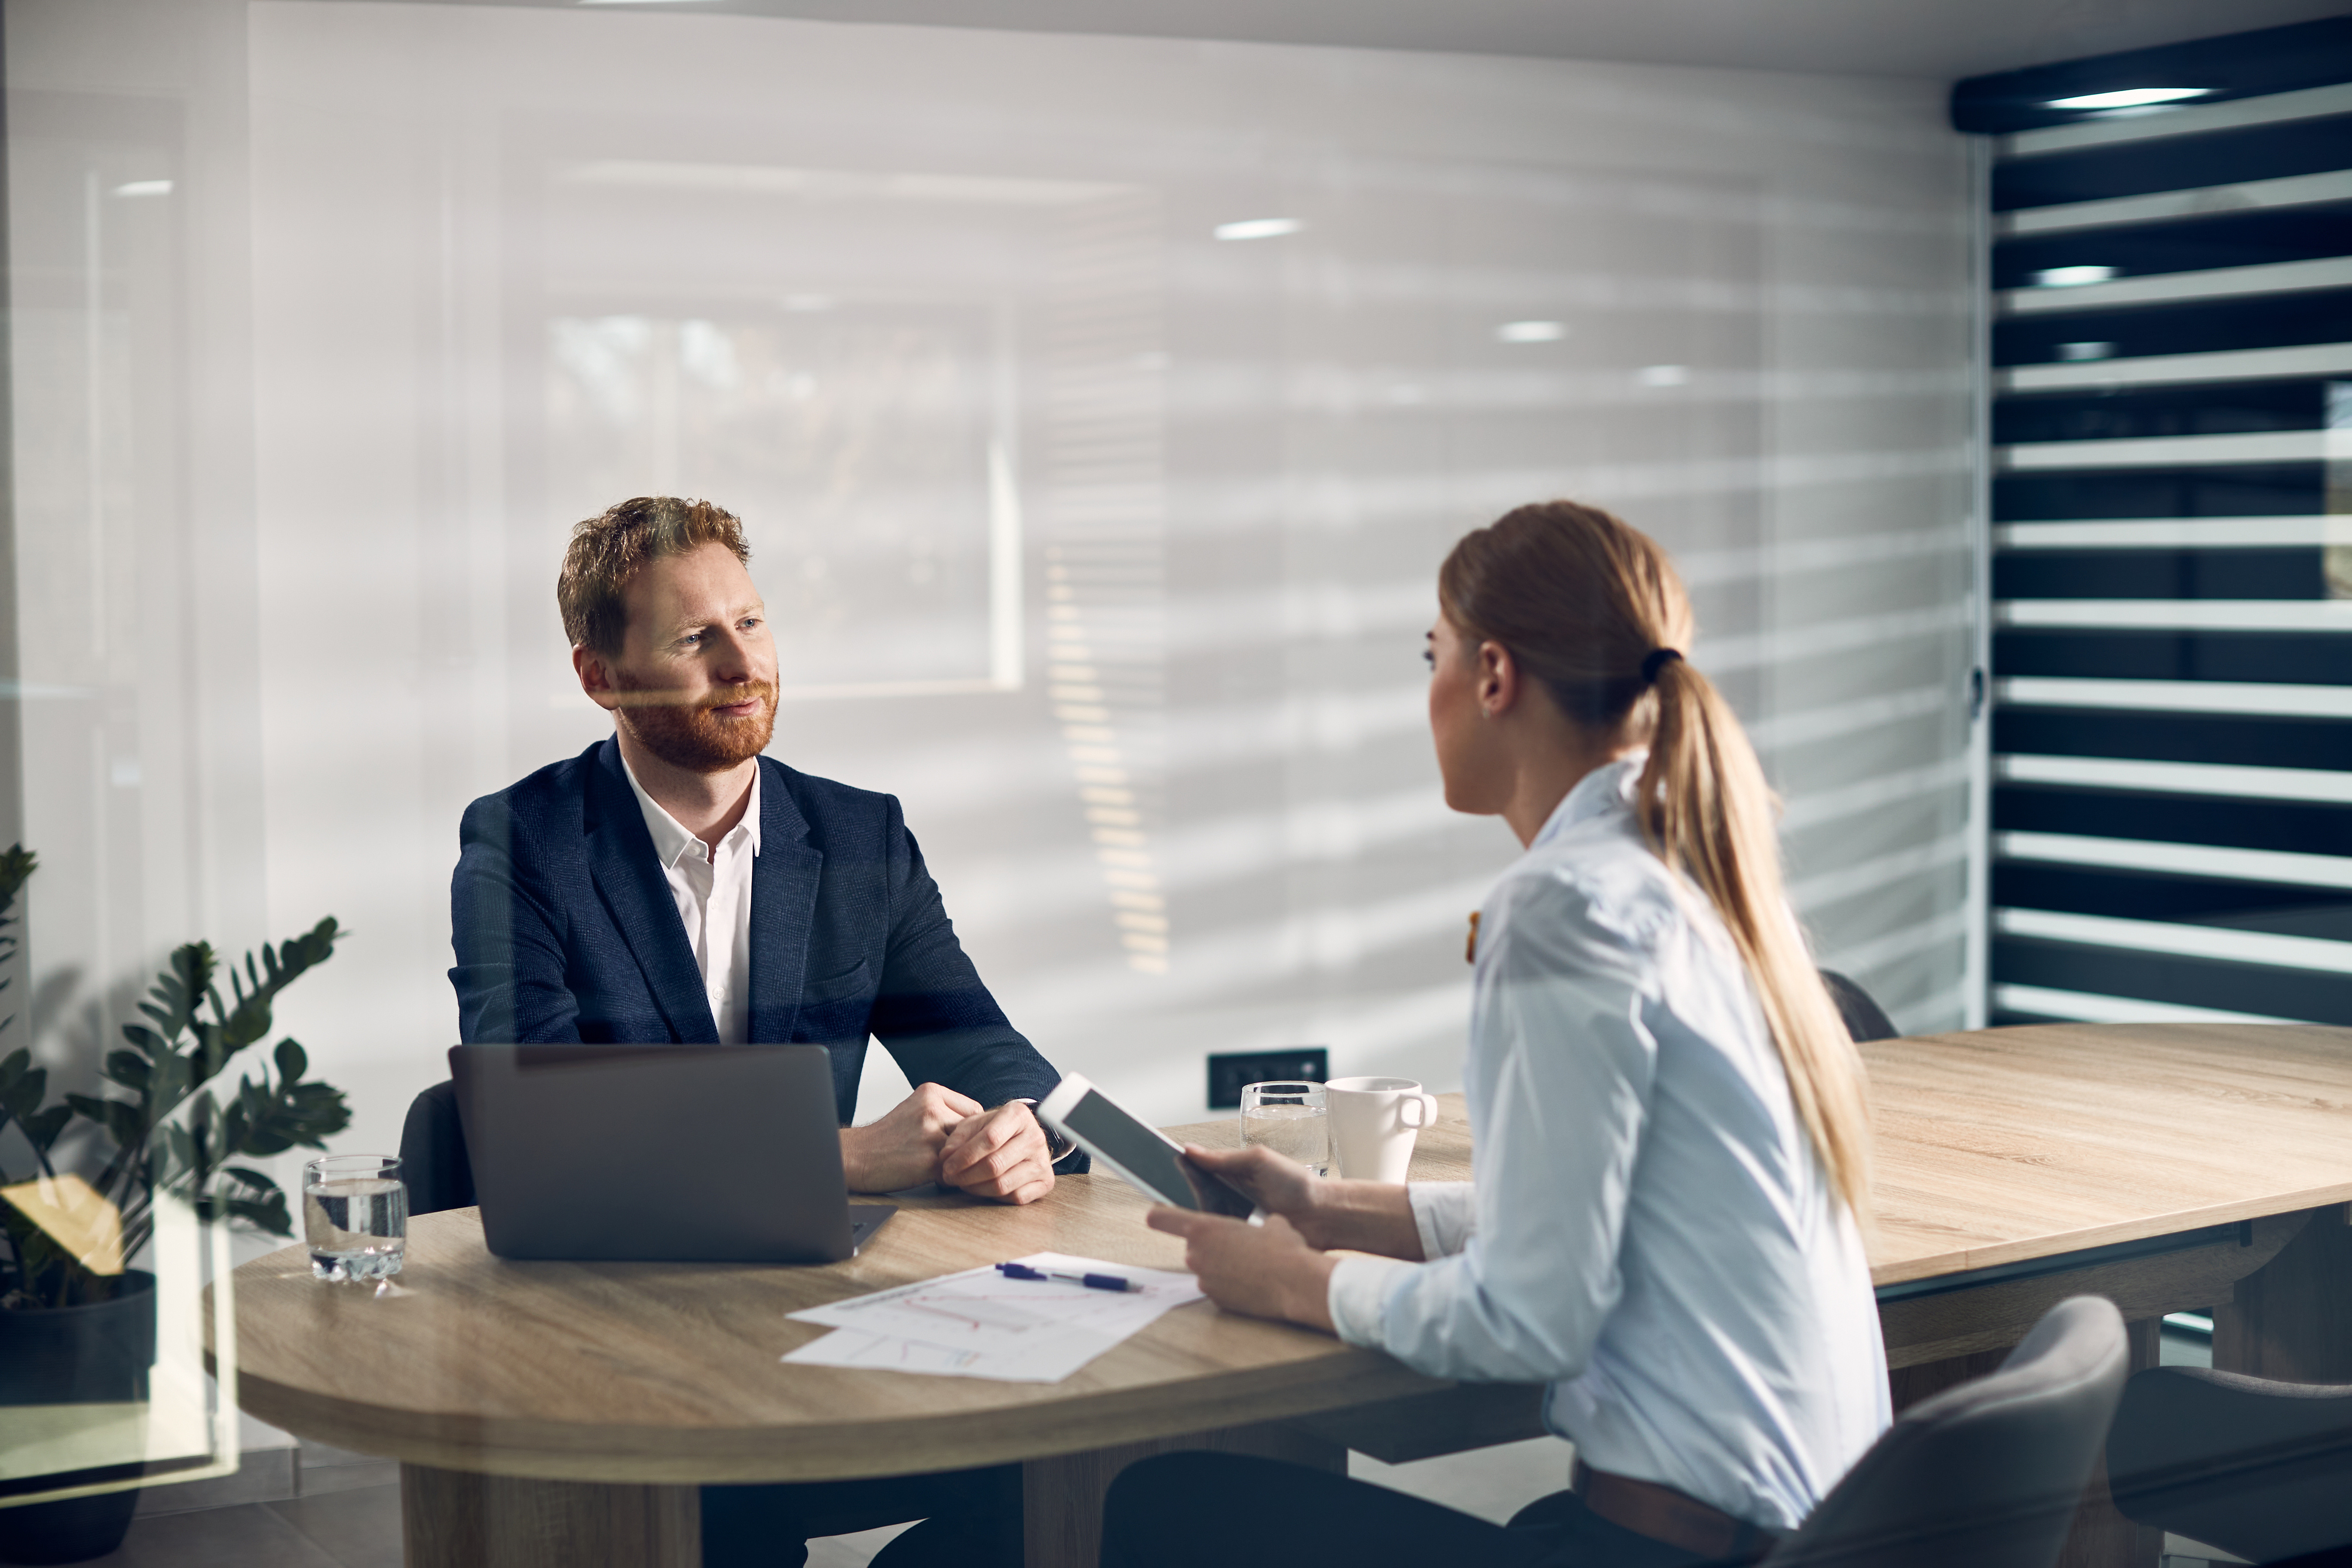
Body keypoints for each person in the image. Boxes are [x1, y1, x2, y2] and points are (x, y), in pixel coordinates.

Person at [1104, 500, 1889, 1568]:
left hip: (1684, 1553)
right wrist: (1328, 1207)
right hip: (1806, 1534)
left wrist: (1291, 1280)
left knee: (1170, 1506)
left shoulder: (1566, 904)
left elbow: (1531, 1319)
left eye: (1432, 655)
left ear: (1492, 676)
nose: (1424, 692)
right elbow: (1590, 1218)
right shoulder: (1694, 873)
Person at [448, 495, 1071, 1568]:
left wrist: (1026, 1129)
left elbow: (995, 1060)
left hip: (826, 1318)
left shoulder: (860, 835)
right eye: (696, 637)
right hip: (611, 1341)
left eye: (754, 622)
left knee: (1079, 1471)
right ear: (600, 676)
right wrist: (842, 1158)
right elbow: (538, 1137)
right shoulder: (523, 843)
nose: (745, 664)